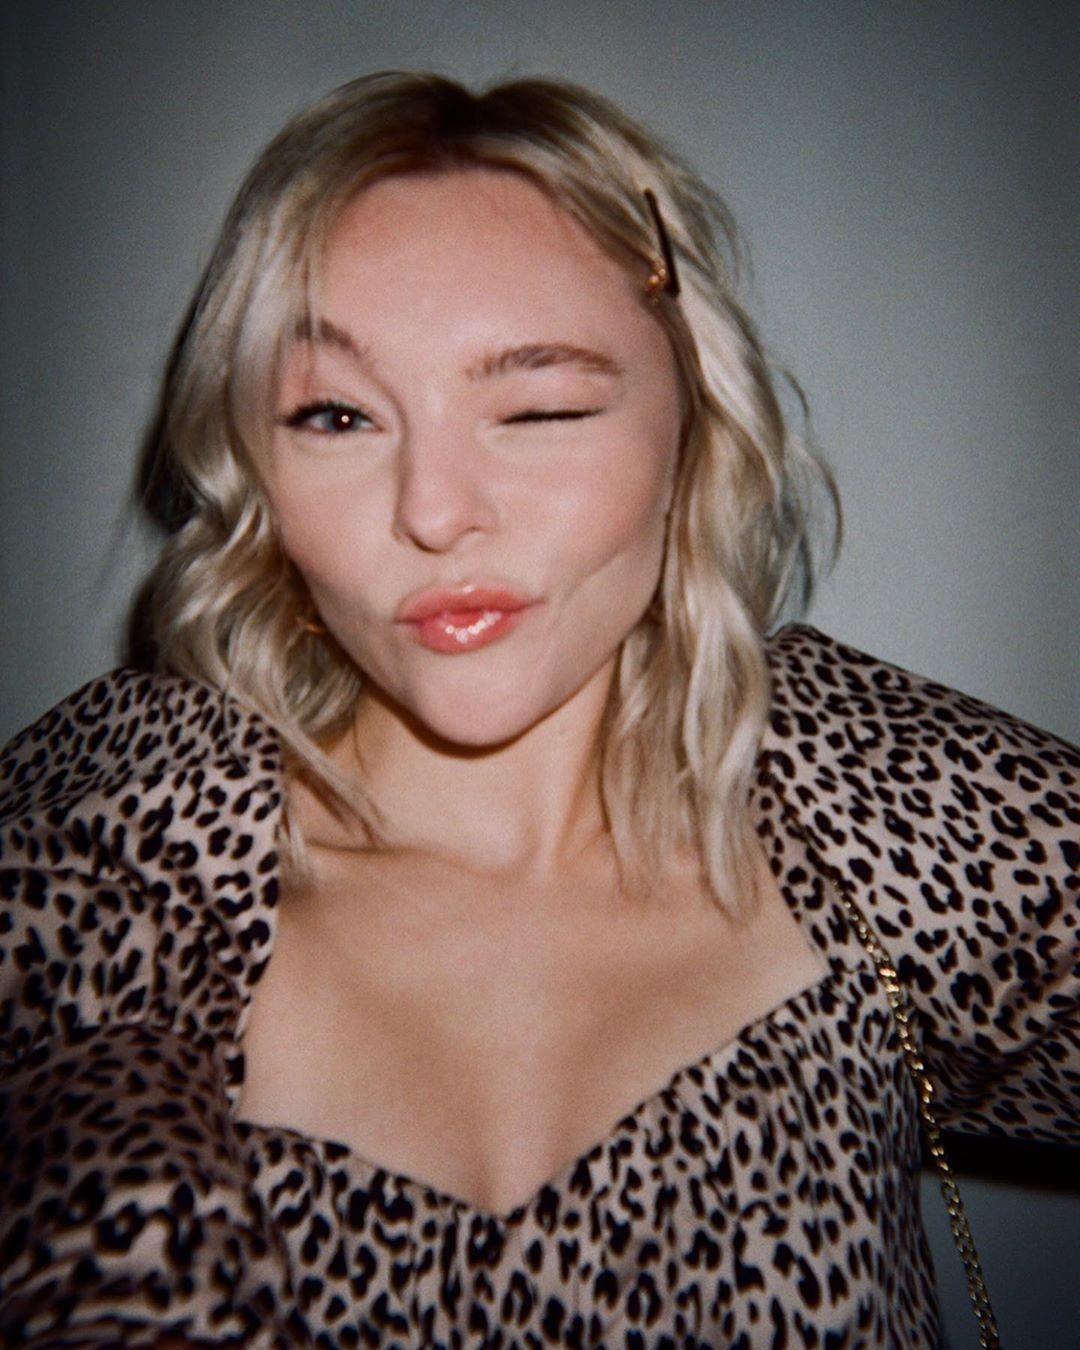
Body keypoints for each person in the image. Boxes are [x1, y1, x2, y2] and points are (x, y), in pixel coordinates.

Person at [0, 71, 1075, 1349]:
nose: (433, 511)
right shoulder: (106, 855)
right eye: (337, 416)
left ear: (694, 428)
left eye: (539, 408)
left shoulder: (881, 810)